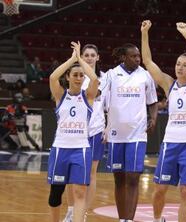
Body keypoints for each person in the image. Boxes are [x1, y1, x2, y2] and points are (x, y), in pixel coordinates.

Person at [141, 20, 186, 222]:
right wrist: (144, 33)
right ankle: (157, 219)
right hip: (170, 143)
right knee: (160, 189)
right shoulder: (170, 84)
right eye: (178, 64)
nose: (180, 67)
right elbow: (148, 62)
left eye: (185, 65)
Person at [105, 42, 158, 222]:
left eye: (138, 56)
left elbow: (152, 101)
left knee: (133, 177)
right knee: (119, 179)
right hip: (115, 134)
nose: (137, 59)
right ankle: (122, 219)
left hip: (137, 133)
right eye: (133, 56)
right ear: (123, 57)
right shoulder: (112, 75)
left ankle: (129, 219)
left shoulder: (145, 75)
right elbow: (99, 98)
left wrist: (154, 118)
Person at [47, 41, 99, 222]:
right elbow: (53, 77)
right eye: (75, 75)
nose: (79, 78)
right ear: (68, 77)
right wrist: (72, 59)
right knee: (55, 194)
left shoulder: (89, 97)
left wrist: (82, 62)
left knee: (80, 192)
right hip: (60, 149)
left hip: (81, 150)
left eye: (81, 75)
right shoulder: (61, 95)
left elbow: (95, 80)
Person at [63, 44, 107, 222]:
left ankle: (84, 213)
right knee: (71, 174)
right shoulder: (76, 77)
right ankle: (71, 211)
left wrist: (107, 126)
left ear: (98, 57)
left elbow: (109, 104)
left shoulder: (104, 79)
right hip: (76, 131)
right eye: (85, 55)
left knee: (91, 173)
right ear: (81, 57)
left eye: (92, 55)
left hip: (96, 130)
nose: (89, 57)